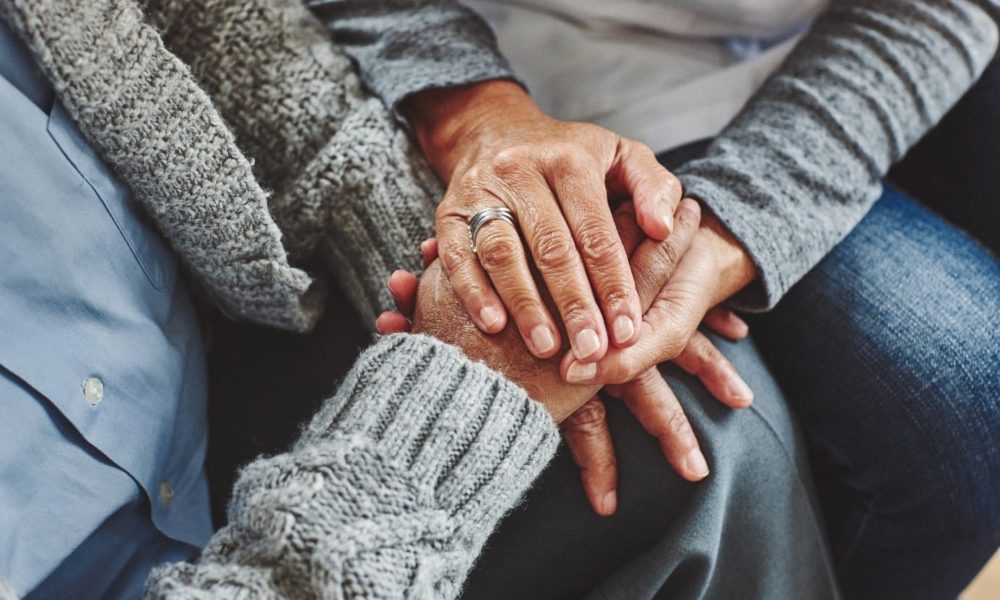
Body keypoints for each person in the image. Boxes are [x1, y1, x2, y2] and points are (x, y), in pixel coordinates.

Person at [0, 0, 835, 597]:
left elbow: (189, 27)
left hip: (211, 324)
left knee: (710, 435)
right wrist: (451, 401)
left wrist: (480, 249)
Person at [356, 0, 1000, 597]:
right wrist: (471, 116)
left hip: (841, 58)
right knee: (959, 412)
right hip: (536, 67)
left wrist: (728, 229)